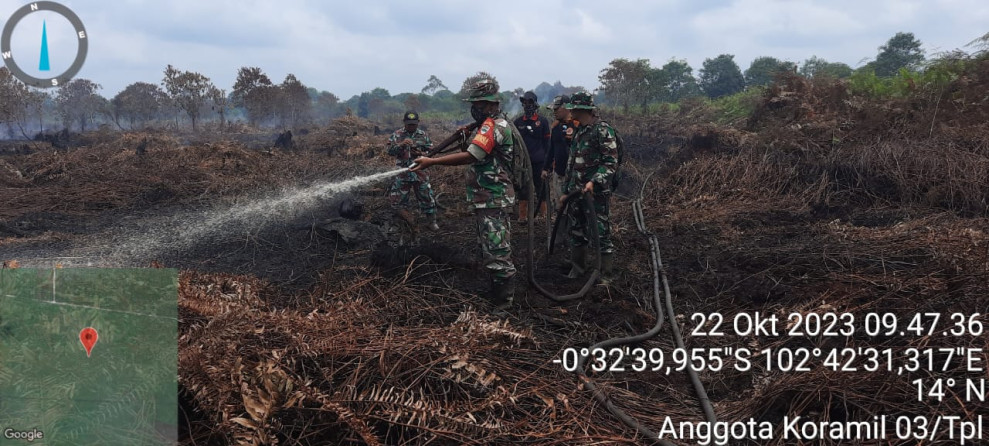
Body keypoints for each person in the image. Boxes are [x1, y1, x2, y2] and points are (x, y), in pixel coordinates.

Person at [411, 78, 517, 311]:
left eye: (477, 104)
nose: (474, 108)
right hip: (486, 197)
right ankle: (495, 294)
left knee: (497, 251)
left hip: (493, 197)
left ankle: (504, 304)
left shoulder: (493, 126)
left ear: (489, 105)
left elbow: (472, 156)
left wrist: (432, 162)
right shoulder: (486, 125)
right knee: (488, 247)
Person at [559, 91, 620, 285]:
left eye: (573, 109)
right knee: (577, 230)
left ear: (581, 109)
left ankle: (605, 274)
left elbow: (610, 162)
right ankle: (578, 268)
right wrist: (566, 192)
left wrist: (594, 181)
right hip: (577, 193)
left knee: (600, 232)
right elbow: (572, 163)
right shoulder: (580, 130)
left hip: (595, 194)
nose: (570, 112)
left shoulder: (602, 130)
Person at [386, 110, 439, 231]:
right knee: (397, 200)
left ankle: (431, 222)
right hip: (403, 173)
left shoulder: (423, 135)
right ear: (404, 122)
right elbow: (389, 151)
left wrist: (421, 153)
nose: (411, 126)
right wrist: (401, 145)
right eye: (409, 124)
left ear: (418, 123)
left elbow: (432, 152)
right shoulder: (397, 135)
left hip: (420, 173)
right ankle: (398, 224)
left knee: (426, 197)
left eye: (414, 124)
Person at [513, 91, 550, 223]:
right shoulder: (517, 122)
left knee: (540, 187)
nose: (526, 105)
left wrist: (548, 163)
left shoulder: (543, 122)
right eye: (524, 103)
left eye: (529, 103)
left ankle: (543, 215)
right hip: (523, 163)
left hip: (539, 162)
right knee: (523, 188)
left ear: (535, 105)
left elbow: (547, 144)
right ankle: (522, 216)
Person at [542, 95, 579, 213]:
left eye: (556, 109)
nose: (554, 112)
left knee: (574, 207)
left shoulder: (578, 126)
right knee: (560, 207)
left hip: (575, 176)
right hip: (559, 173)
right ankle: (561, 230)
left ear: (566, 108)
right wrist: (545, 168)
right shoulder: (556, 127)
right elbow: (551, 149)